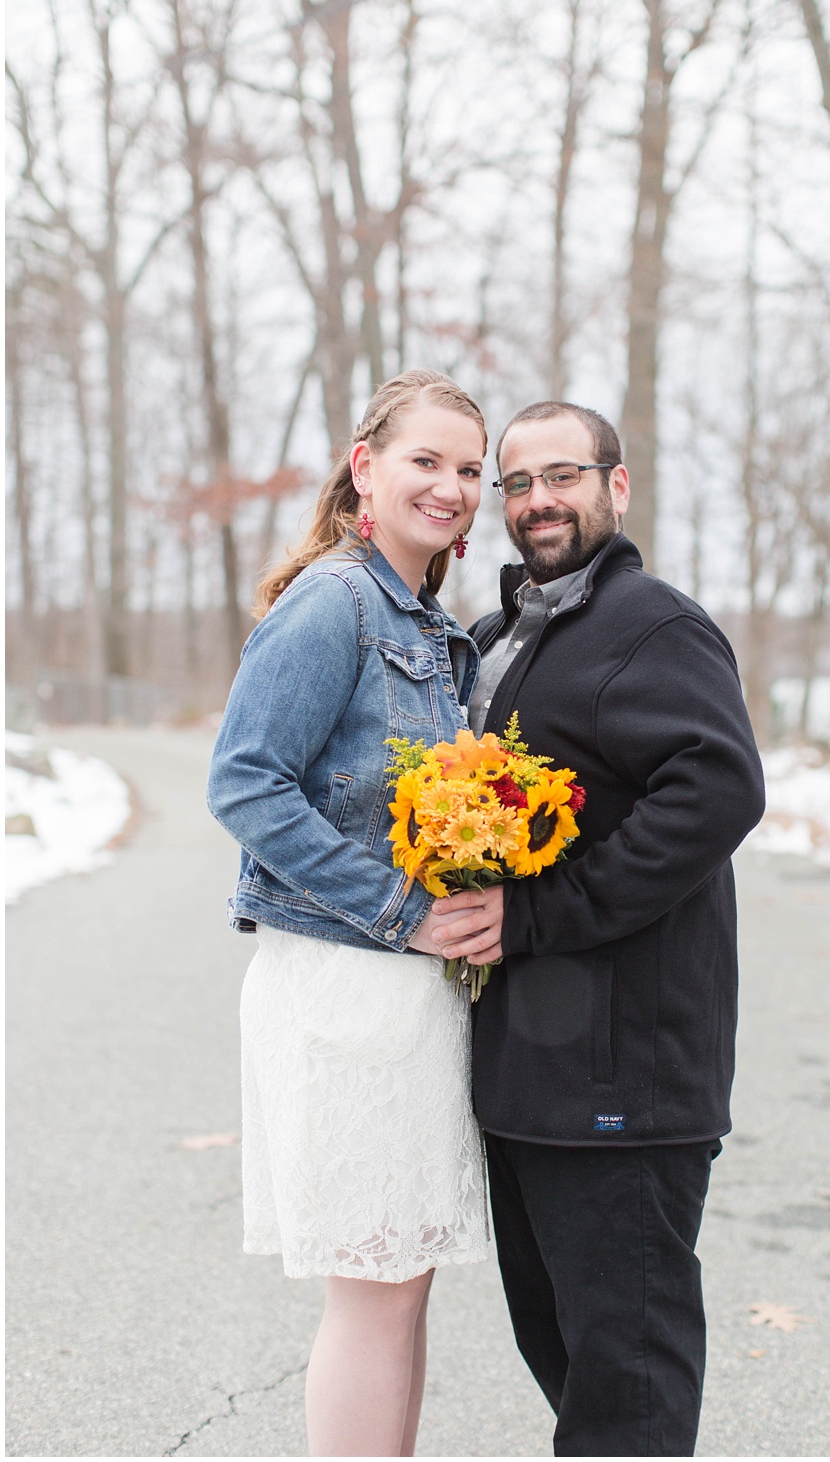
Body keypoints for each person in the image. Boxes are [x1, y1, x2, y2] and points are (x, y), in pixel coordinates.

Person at [433, 400, 766, 1457]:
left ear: (614, 488)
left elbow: (716, 792)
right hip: (528, 1077)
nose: (538, 501)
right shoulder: (495, 640)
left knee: (624, 1384)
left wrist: (537, 913)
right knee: (566, 1357)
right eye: (517, 483)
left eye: (562, 476)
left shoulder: (652, 627)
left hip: (626, 1073)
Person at [205, 369, 504, 1459]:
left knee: (399, 1287)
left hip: (402, 997)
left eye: (470, 469)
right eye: (426, 460)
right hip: (346, 986)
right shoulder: (334, 602)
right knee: (374, 1291)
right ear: (363, 466)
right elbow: (243, 782)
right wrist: (405, 914)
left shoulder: (426, 623)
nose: (453, 486)